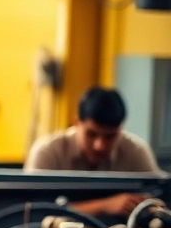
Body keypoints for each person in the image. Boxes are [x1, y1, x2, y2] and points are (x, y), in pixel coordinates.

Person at [25, 86, 158, 217]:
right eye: (91, 134)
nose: (99, 146)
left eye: (110, 136)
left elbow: (158, 201)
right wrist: (105, 206)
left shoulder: (136, 152)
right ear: (76, 122)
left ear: (121, 128)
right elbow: (33, 212)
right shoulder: (48, 152)